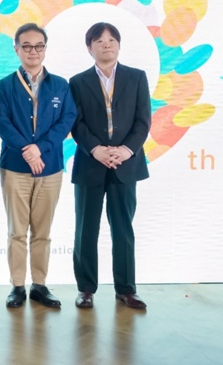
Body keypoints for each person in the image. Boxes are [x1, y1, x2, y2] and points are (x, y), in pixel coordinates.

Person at [69, 22, 151, 309]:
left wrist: (126, 151)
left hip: (125, 165)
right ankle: (86, 289)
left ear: (119, 45)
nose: (106, 44)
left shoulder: (136, 77)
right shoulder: (77, 82)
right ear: (89, 47)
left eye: (112, 39)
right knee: (86, 229)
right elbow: (76, 123)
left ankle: (126, 289)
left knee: (123, 228)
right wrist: (97, 150)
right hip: (90, 164)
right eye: (99, 40)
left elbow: (143, 121)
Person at [0, 23, 77, 309]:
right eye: (26, 46)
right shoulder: (5, 86)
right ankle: (17, 286)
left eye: (38, 46)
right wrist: (27, 151)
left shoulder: (60, 85)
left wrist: (40, 148)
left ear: (45, 49)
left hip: (50, 168)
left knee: (42, 232)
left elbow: (67, 120)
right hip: (14, 168)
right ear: (16, 49)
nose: (33, 51)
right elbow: (2, 123)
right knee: (17, 231)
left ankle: (39, 285)